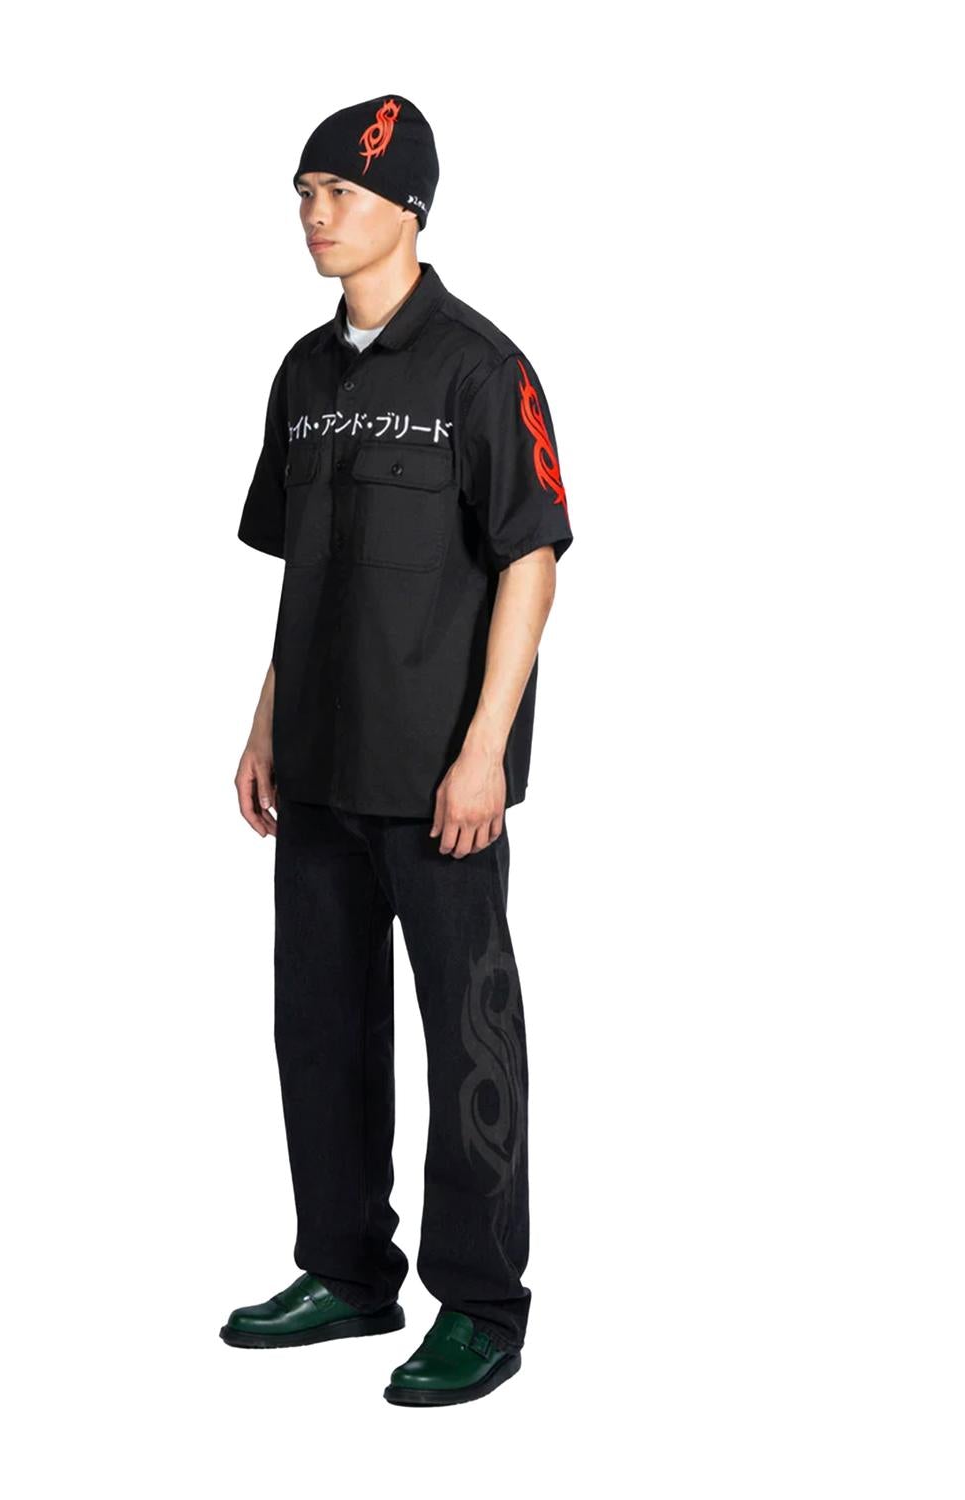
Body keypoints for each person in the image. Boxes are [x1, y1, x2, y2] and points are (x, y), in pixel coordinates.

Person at [223, 93, 573, 1408]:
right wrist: (264, 723)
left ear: (408, 210)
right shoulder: (303, 378)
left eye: (343, 195)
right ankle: (347, 1273)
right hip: (317, 766)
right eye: (306, 194)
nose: (317, 217)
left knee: (467, 1036)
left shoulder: (482, 369)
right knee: (319, 1030)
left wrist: (486, 752)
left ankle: (479, 1304)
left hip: (438, 781)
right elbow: (300, 573)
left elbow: (531, 561)